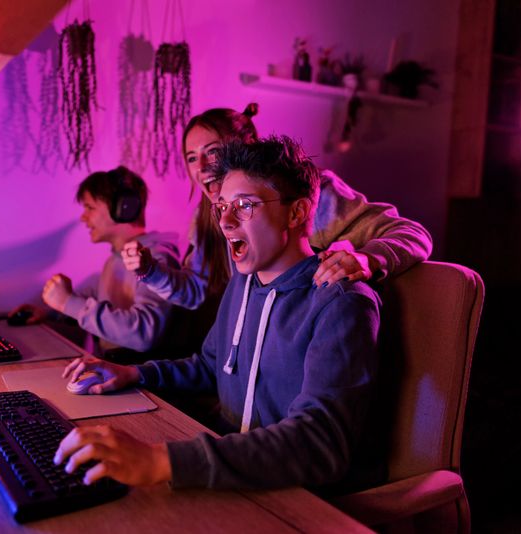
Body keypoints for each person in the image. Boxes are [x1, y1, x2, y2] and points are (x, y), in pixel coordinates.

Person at [54, 136, 383, 493]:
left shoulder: (340, 303)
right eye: (222, 206)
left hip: (295, 495)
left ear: (296, 213)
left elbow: (317, 443)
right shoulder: (243, 282)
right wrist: (133, 373)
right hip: (231, 470)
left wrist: (161, 461)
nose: (225, 221)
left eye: (244, 205)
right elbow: (210, 367)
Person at [121, 104, 432, 310]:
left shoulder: (308, 194)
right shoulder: (209, 214)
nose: (201, 167)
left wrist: (367, 259)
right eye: (191, 158)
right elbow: (196, 291)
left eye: (213, 152)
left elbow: (412, 234)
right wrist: (149, 270)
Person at [14, 166, 181, 357]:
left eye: (90, 208)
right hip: (113, 366)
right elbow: (104, 307)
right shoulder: (116, 260)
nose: (83, 217)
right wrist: (50, 312)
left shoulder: (155, 260)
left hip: (138, 371)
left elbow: (144, 334)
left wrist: (68, 302)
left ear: (124, 207)